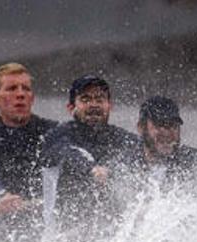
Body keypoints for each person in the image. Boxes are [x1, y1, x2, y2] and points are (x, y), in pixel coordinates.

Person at [40, 75, 139, 232]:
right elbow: (63, 152)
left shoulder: (124, 138)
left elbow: (136, 154)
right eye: (85, 99)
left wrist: (110, 168)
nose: (94, 105)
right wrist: (91, 169)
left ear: (109, 106)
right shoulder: (57, 135)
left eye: (100, 100)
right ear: (71, 108)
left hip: (113, 228)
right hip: (66, 232)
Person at [0, 62, 58, 215]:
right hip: (1, 215)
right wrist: (1, 194)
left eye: (26, 89)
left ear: (32, 98)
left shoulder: (54, 132)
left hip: (45, 213)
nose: (20, 94)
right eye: (11, 89)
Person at [122, 95, 197, 187]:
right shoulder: (125, 167)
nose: (167, 133)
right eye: (159, 125)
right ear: (141, 128)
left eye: (173, 125)